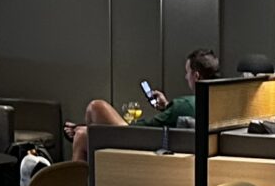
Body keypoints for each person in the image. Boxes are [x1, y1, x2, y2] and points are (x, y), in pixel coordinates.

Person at [72, 49, 220, 164]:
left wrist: (99, 130)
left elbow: (145, 129)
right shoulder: (216, 102)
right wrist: (167, 107)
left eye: (187, 72)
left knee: (95, 108)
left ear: (196, 76)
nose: (185, 77)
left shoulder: (185, 105)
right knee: (84, 132)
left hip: (144, 148)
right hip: (178, 151)